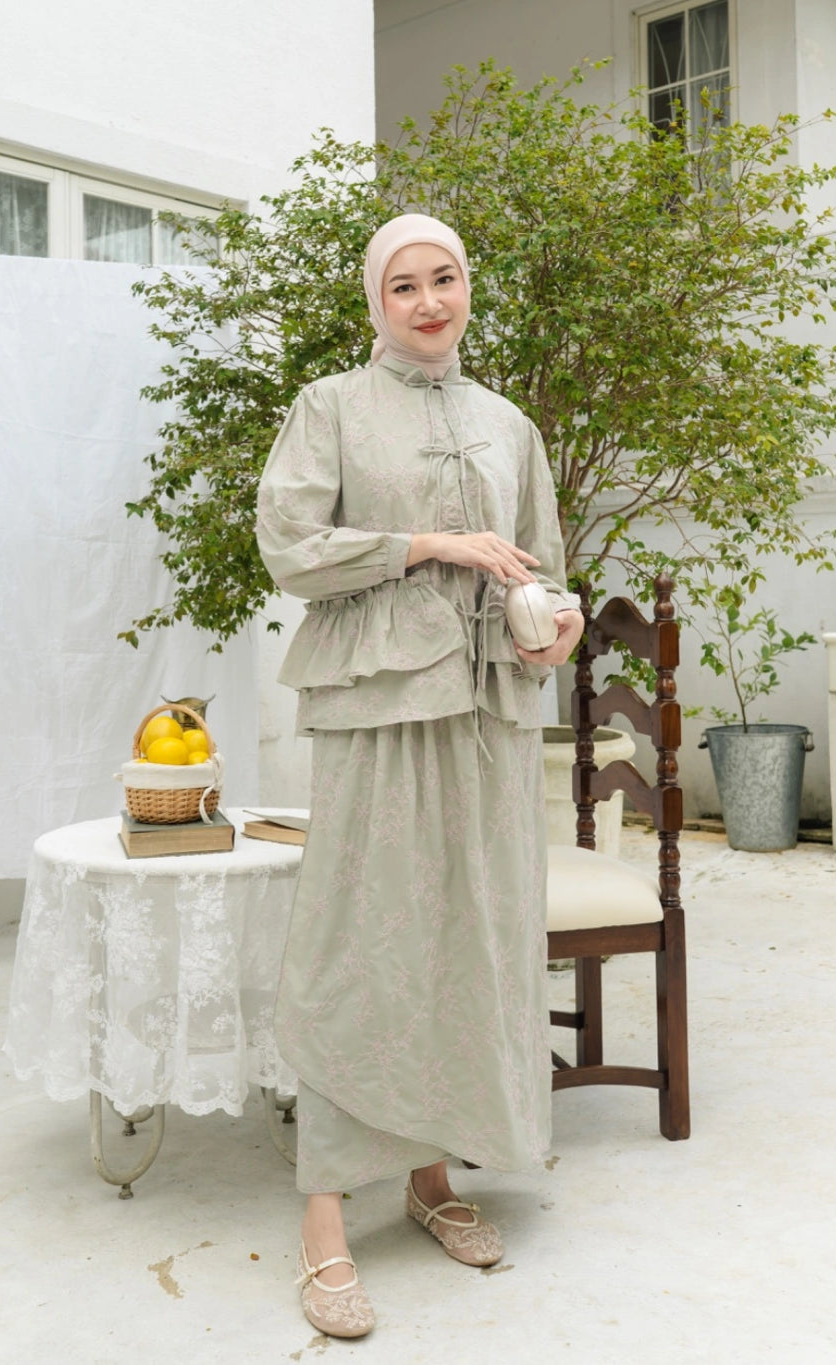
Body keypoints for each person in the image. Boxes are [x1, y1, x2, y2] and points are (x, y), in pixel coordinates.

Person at [255, 213, 585, 1338]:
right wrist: (427, 545)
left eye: (444, 279)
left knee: (465, 937)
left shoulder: (507, 425)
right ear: (374, 300)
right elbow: (290, 545)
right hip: (380, 706)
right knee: (361, 941)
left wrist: (555, 634)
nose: (429, 300)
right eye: (405, 285)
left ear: (465, 287)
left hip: (487, 712)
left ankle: (433, 1177)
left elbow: (544, 565)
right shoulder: (331, 409)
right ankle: (324, 1218)